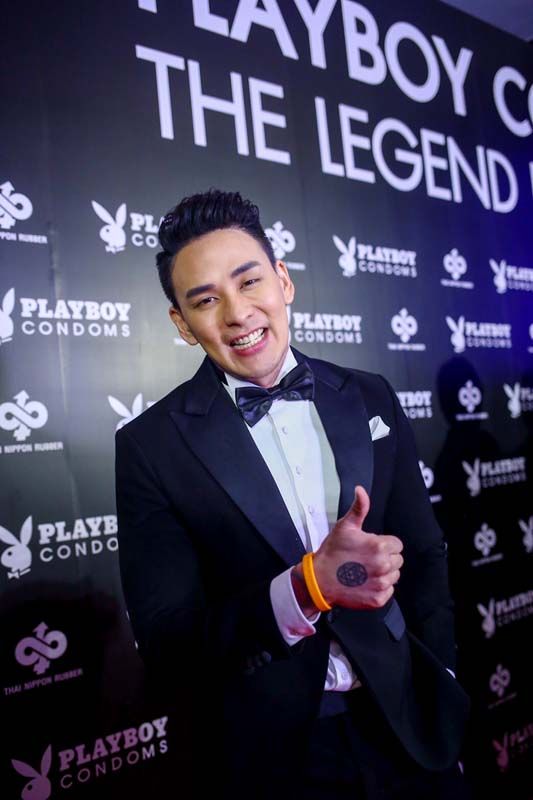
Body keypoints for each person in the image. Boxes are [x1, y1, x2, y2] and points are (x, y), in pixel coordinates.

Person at [115, 189, 471, 799]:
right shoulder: (151, 445)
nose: (237, 313)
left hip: (408, 724)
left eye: (249, 281)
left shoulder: (371, 395)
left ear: (283, 280)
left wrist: (441, 682)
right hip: (273, 757)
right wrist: (306, 587)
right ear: (182, 324)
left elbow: (425, 555)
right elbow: (169, 641)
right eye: (206, 300)